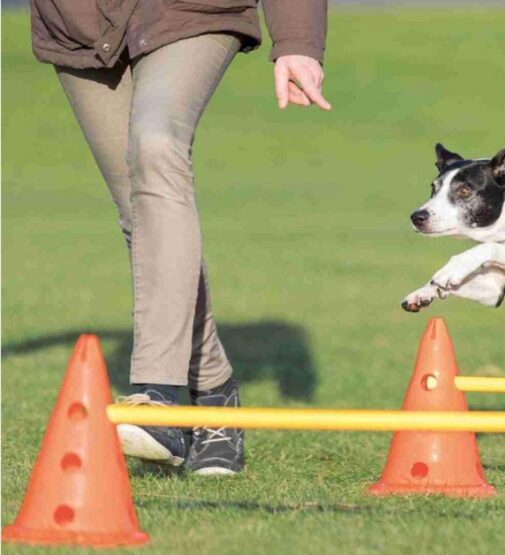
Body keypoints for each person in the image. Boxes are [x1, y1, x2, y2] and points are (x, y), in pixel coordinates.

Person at [30, 0, 330, 475]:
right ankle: (213, 388)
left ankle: (160, 399)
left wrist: (297, 40)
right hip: (80, 24)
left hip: (188, 12)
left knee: (156, 145)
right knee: (140, 211)